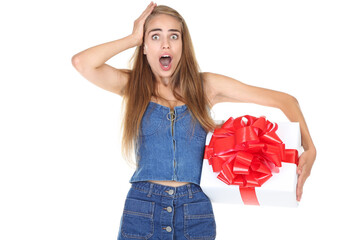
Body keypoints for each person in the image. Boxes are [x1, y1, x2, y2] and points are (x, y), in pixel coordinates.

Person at [71, 2, 316, 239]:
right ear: (144, 46)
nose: (165, 44)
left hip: (194, 210)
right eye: (155, 37)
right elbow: (82, 63)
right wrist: (133, 38)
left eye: (174, 36)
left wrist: (310, 148)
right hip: (143, 208)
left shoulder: (206, 87)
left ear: (183, 45)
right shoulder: (133, 86)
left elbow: (287, 101)